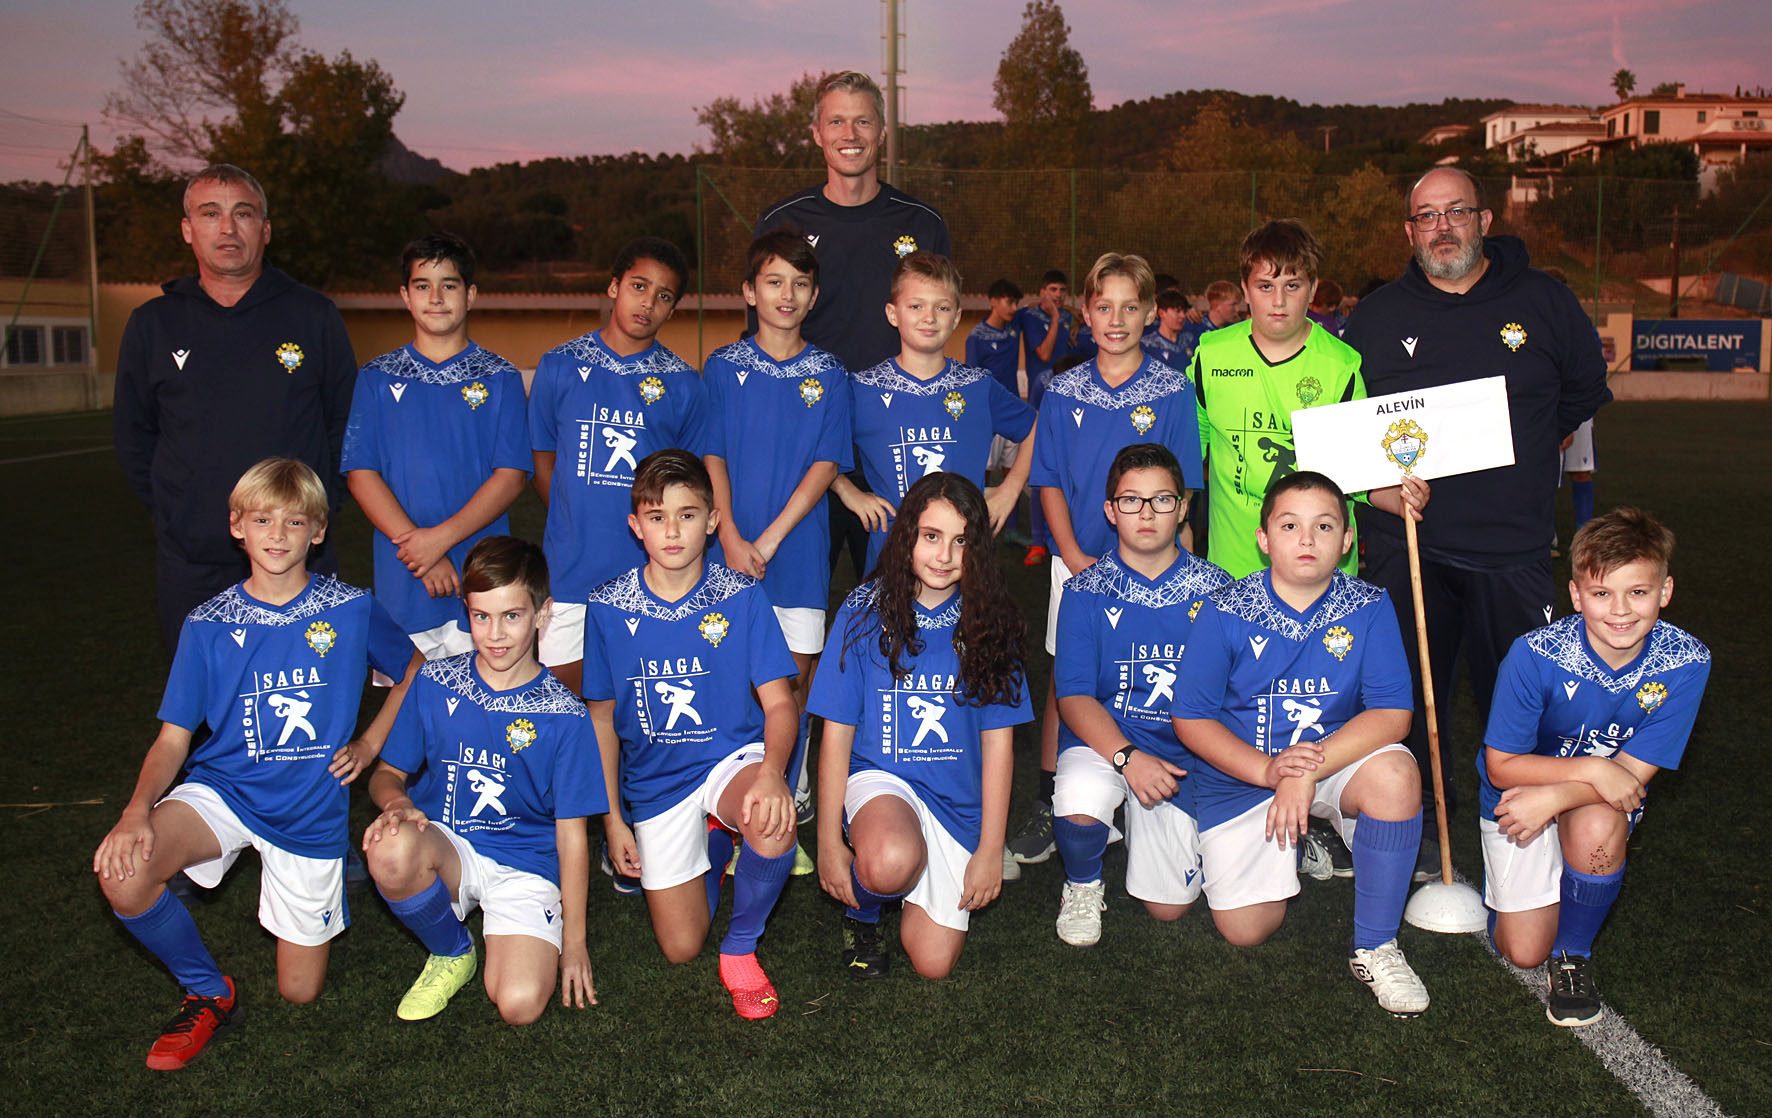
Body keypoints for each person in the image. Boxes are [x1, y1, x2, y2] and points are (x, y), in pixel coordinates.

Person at [93, 458, 418, 1069]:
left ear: (317, 531)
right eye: (263, 519)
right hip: (224, 791)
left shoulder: (351, 608)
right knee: (125, 873)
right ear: (237, 526)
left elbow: (414, 669)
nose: (277, 534)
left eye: (294, 521)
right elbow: (172, 739)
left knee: (300, 992)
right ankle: (208, 991)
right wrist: (137, 811)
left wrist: (371, 745)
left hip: (308, 813)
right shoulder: (208, 624)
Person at [1341, 167, 1612, 813]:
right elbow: (1351, 423)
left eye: (1457, 211)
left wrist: (1525, 447)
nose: (1443, 227)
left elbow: (1581, 391)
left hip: (1511, 547)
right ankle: (1415, 820)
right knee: (1404, 702)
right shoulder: (1377, 315)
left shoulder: (1545, 300)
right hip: (1408, 548)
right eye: (1427, 216)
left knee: (1519, 705)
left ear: (1484, 221)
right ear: (1410, 231)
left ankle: (1514, 824)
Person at [1172, 471, 1429, 1016]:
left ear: (1348, 539)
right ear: (1264, 539)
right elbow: (1191, 719)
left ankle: (1376, 945)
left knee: (1396, 775)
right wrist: (1271, 773)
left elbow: (1393, 714)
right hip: (1246, 773)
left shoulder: (1369, 604)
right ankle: (1297, 842)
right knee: (1246, 930)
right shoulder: (1224, 610)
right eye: (1290, 526)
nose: (1307, 539)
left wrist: (1303, 772)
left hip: (1329, 763)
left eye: (1324, 526)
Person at [582, 450, 799, 1019]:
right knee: (680, 947)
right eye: (657, 517)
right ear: (636, 526)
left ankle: (741, 948)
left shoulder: (741, 596)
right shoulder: (606, 607)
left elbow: (781, 703)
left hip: (731, 759)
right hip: (656, 783)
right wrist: (613, 820)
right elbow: (601, 719)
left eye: (687, 514)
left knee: (770, 821)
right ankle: (716, 842)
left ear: (712, 521)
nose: (673, 531)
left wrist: (772, 774)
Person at [1008, 251, 1203, 878]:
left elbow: (1184, 485)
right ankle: (1050, 798)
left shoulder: (1172, 389)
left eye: (1129, 307)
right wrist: (1073, 557)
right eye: (1103, 306)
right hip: (1081, 562)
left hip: (1156, 564)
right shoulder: (1062, 390)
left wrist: (1176, 557)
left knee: (1160, 667)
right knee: (1067, 677)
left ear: (1148, 313)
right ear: (1085, 314)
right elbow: (1048, 481)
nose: (1116, 320)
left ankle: (1165, 780)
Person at [114, 164, 358, 654]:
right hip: (193, 564)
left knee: (302, 694)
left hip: (296, 560)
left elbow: (348, 427)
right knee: (203, 698)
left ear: (264, 230)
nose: (228, 227)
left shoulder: (313, 315)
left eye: (242, 214)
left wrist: (314, 511)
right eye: (211, 214)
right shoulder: (153, 323)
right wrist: (178, 511)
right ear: (188, 229)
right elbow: (134, 435)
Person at [1479, 508, 1709, 1027]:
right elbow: (1501, 766)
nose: (1621, 610)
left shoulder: (1686, 661)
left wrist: (1562, 795)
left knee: (1600, 826)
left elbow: (1629, 776)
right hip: (1517, 795)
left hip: (1582, 800)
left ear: (1665, 591)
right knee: (1523, 951)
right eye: (1602, 593)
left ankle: (1573, 954)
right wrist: (1594, 769)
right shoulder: (1534, 655)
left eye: (1638, 592)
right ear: (1577, 595)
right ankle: (1520, 898)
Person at [363, 536, 605, 1025]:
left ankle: (510, 927)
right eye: (481, 616)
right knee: (390, 848)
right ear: (467, 613)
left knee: (518, 1004)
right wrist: (396, 804)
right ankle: (453, 950)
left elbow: (572, 836)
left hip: (524, 863)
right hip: (448, 846)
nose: (495, 634)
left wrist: (575, 943)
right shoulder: (436, 682)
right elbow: (386, 775)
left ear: (542, 613)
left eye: (511, 616)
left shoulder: (565, 715)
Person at [812, 472, 1032, 979]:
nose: (944, 555)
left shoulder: (991, 620)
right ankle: (865, 911)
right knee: (889, 860)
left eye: (961, 541)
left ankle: (916, 866)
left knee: (933, 963)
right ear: (907, 535)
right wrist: (828, 842)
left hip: (955, 801)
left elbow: (999, 747)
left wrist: (990, 849)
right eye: (931, 536)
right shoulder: (863, 610)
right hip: (881, 780)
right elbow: (836, 735)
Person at [1050, 444, 1230, 946]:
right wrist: (1127, 758)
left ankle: (1145, 820)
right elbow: (1074, 697)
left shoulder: (1219, 590)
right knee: (1078, 793)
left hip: (1182, 756)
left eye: (1161, 500)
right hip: (1108, 742)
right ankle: (1082, 884)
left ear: (1183, 507)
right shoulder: (1084, 591)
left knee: (1169, 908)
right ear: (1111, 510)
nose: (1146, 513)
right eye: (1131, 500)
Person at [702, 227, 851, 822]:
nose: (787, 295)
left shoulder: (829, 372)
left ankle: (792, 780)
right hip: (727, 550)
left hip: (797, 555)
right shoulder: (722, 367)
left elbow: (825, 464)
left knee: (792, 680)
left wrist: (767, 540)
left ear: (813, 296)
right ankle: (728, 791)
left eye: (800, 284)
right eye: (774, 282)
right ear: (750, 291)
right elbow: (712, 454)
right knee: (732, 679)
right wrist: (731, 536)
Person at [528, 236, 710, 697]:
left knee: (636, 701)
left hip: (648, 576)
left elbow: (690, 483)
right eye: (638, 286)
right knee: (561, 701)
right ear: (614, 287)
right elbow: (543, 460)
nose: (648, 303)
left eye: (663, 296)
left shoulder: (684, 384)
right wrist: (573, 515)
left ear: (673, 309)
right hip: (569, 571)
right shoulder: (560, 366)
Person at [1195, 220, 1426, 582]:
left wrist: (1399, 498)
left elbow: (1359, 471)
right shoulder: (1210, 356)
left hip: (1323, 574)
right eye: (1265, 286)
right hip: (1234, 570)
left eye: (1292, 285)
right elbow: (1188, 453)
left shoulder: (1341, 365)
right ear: (1245, 289)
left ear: (1313, 288)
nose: (1279, 301)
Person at [342, 232, 529, 667]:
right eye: (423, 285)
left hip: (480, 575)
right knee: (407, 697)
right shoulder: (376, 378)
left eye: (449, 285)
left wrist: (438, 542)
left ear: (471, 295)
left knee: (480, 697)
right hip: (404, 577)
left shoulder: (499, 377)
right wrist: (423, 555)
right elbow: (361, 474)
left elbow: (511, 476)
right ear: (405, 296)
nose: (436, 297)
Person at [831, 251, 1037, 572]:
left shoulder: (978, 386)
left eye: (942, 307)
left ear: (956, 317)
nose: (929, 317)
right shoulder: (861, 388)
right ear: (893, 314)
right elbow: (814, 445)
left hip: (965, 562)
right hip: (891, 563)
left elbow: (1036, 427)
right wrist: (848, 491)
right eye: (916, 306)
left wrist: (1009, 491)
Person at [753, 70, 951, 375]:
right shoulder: (780, 223)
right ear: (817, 133)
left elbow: (937, 330)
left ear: (881, 132)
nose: (850, 135)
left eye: (863, 122)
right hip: (807, 398)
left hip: (894, 400)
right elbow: (760, 337)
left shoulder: (924, 224)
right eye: (836, 122)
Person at [1177, 280, 1243, 369]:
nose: (1238, 309)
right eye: (1233, 305)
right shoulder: (1193, 327)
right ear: (1217, 305)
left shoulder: (1238, 329)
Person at [1140, 289, 1190, 369]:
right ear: (1161, 313)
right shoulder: (1147, 345)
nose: (1183, 316)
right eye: (1177, 311)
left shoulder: (1190, 340)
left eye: (1184, 311)